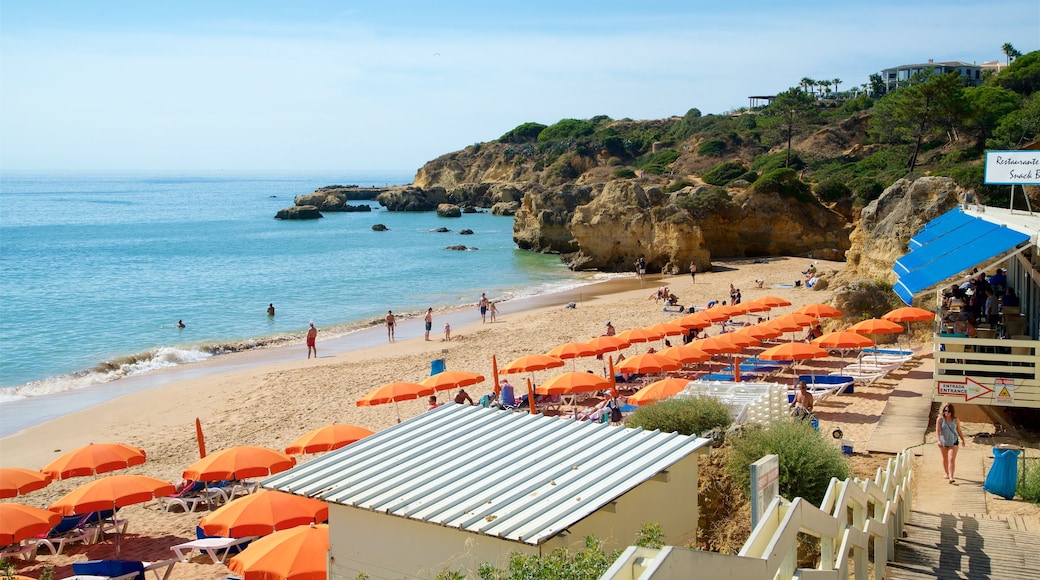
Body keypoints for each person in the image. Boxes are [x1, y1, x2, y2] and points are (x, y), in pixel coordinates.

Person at [936, 403, 967, 483]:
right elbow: (938, 430)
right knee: (945, 458)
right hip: (944, 441)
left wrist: (962, 439)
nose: (947, 412)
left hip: (953, 441)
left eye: (949, 411)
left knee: (951, 459)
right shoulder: (940, 419)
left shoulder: (955, 419)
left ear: (952, 412)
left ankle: (951, 477)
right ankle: (946, 472)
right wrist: (939, 440)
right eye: (945, 410)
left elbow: (958, 430)